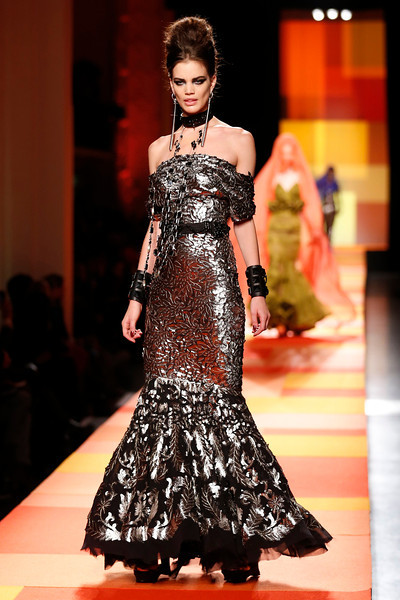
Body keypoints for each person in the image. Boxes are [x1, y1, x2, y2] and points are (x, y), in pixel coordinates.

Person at [81, 17, 332, 584]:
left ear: (214, 79)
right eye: (179, 81)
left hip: (217, 289)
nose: (188, 91)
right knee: (164, 409)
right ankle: (158, 538)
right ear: (169, 82)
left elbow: (242, 221)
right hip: (168, 293)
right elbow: (154, 229)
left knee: (220, 405)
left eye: (197, 80)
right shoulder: (156, 151)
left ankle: (232, 539)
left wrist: (256, 289)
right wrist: (136, 299)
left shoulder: (238, 141)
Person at [253, 133, 354, 335]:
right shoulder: (271, 176)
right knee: (276, 268)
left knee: (292, 268)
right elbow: (261, 204)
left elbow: (310, 206)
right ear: (278, 153)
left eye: (290, 152)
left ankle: (294, 318)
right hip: (275, 230)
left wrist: (313, 229)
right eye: (284, 152)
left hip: (294, 229)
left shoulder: (301, 177)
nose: (287, 156)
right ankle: (278, 319)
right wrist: (259, 231)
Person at [316, 166, 340, 243]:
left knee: (330, 227)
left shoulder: (334, 183)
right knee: (323, 227)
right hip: (323, 207)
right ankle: (323, 243)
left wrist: (338, 206)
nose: (331, 175)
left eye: (332, 173)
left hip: (332, 208)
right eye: (330, 173)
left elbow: (337, 195)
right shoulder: (322, 182)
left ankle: (328, 242)